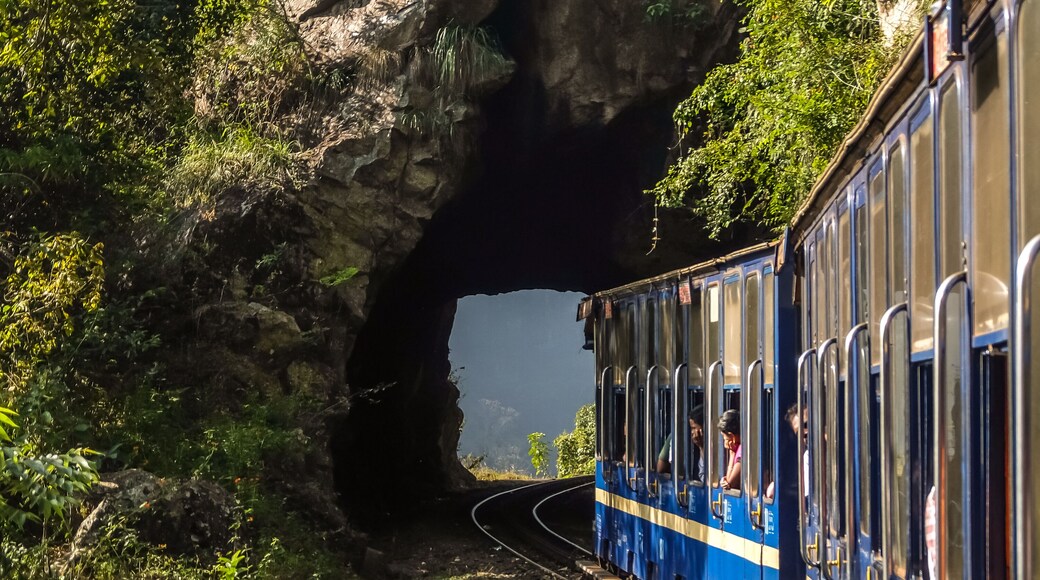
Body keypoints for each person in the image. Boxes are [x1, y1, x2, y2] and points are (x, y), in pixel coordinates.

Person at [656, 405, 705, 481]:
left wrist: (701, 447)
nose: (692, 432)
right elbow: (661, 468)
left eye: (694, 428)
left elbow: (705, 477)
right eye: (691, 428)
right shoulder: (677, 436)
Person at [718, 409, 741, 490]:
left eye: (724, 437)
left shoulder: (742, 451)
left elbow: (731, 484)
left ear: (732, 436)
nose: (725, 441)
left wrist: (732, 453)